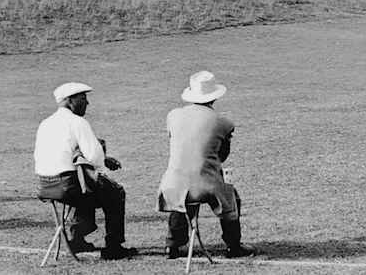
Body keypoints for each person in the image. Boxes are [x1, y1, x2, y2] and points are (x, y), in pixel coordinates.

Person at [158, 71, 256, 259]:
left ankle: (172, 244)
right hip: (205, 185)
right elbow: (222, 155)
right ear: (214, 96)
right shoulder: (223, 122)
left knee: (181, 199)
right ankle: (233, 245)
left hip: (171, 183)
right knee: (231, 197)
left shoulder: (173, 115)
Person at [33, 82, 136, 260]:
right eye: (83, 98)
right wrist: (102, 162)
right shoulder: (77, 122)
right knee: (114, 192)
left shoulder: (46, 123)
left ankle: (77, 238)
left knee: (89, 190)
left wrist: (99, 160)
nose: (87, 103)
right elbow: (94, 156)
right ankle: (114, 246)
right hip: (67, 185)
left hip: (45, 185)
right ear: (69, 101)